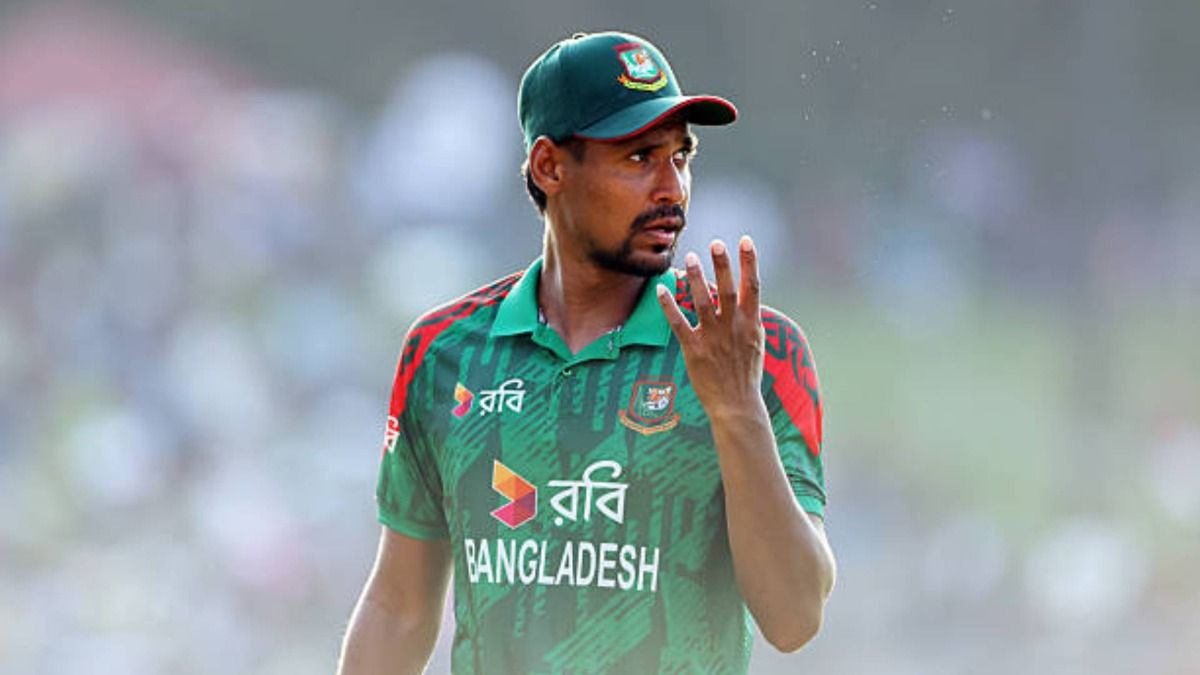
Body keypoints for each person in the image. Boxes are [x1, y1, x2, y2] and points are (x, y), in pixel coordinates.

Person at [337, 30, 836, 675]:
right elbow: (397, 609)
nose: (673, 188)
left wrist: (736, 407)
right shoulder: (445, 353)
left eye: (681, 156)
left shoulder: (753, 349)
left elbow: (795, 618)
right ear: (549, 167)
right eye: (639, 158)